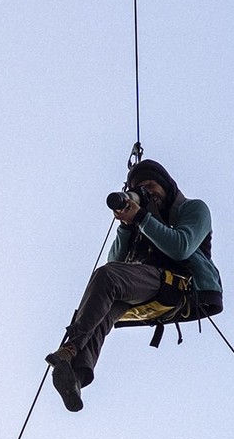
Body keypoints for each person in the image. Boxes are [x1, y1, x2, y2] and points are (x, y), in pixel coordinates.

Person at [45, 158, 221, 413]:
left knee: (107, 278)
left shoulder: (193, 209)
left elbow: (181, 247)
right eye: (141, 189)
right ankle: (76, 380)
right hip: (147, 287)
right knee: (104, 308)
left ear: (167, 186)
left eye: (151, 186)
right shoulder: (140, 222)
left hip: (180, 286)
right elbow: (114, 263)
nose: (149, 192)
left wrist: (141, 217)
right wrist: (126, 227)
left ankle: (71, 348)